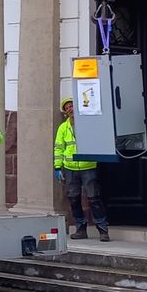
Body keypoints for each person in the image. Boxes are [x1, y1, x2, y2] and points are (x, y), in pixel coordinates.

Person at [54, 98, 109, 241]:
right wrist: (57, 167)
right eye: (67, 108)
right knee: (73, 199)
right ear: (65, 112)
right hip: (70, 168)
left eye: (72, 106)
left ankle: (103, 230)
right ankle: (80, 229)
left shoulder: (88, 124)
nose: (70, 109)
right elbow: (59, 149)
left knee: (94, 198)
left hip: (88, 166)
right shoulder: (63, 128)